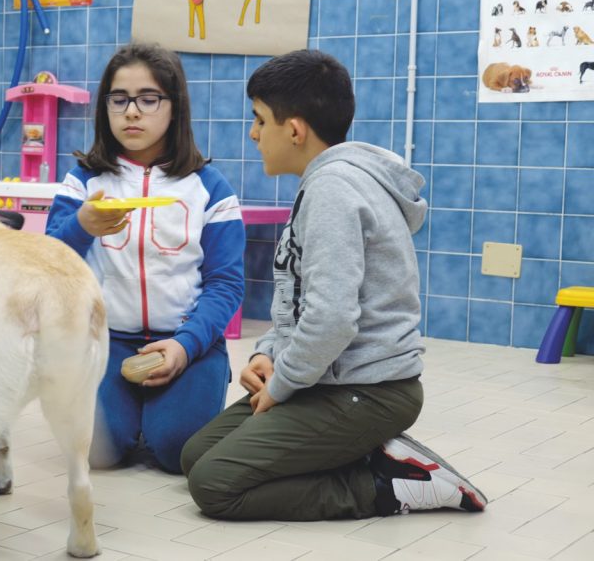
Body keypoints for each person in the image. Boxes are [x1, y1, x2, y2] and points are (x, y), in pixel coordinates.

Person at [180, 50, 487, 520]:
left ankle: (393, 485)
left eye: (260, 120)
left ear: (296, 130)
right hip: (329, 379)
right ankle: (363, 451)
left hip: (370, 391)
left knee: (215, 485)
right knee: (194, 454)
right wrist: (268, 353)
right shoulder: (324, 182)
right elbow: (298, 300)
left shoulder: (332, 191)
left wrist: (282, 384)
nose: (253, 133)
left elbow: (331, 321)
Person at [45, 43, 245, 474]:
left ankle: (185, 394)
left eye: (148, 98)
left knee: (178, 451)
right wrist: (82, 225)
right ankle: (130, 415)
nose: (131, 112)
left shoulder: (211, 189)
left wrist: (185, 345)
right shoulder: (83, 182)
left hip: (187, 340)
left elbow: (226, 284)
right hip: (105, 341)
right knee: (98, 451)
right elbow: (49, 266)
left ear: (175, 107)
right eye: (119, 99)